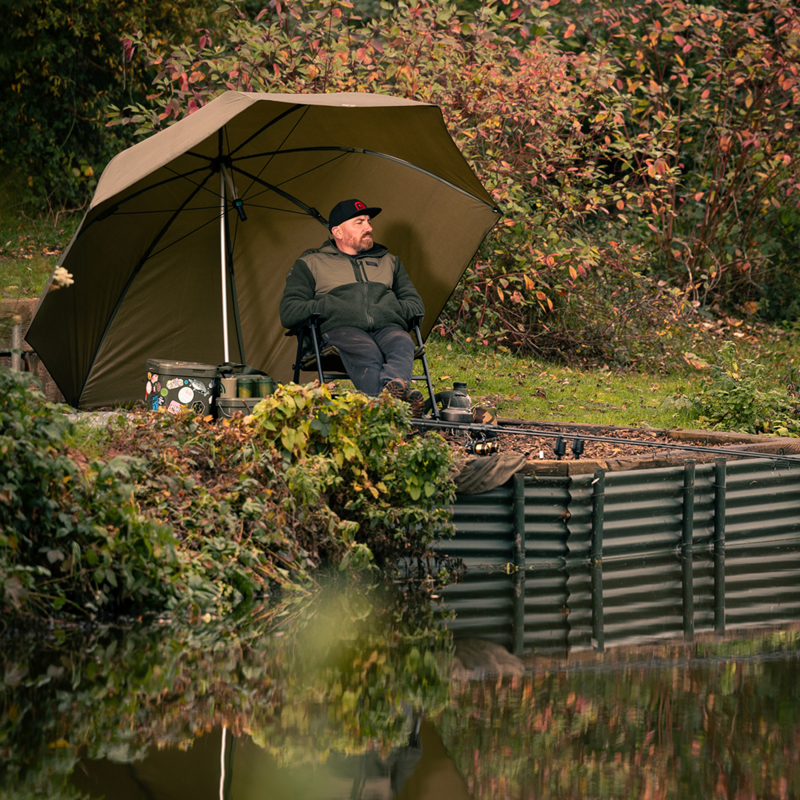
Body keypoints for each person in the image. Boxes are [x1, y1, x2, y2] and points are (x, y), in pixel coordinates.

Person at [280, 198, 426, 415]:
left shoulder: (389, 261)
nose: (369, 227)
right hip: (341, 331)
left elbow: (415, 305)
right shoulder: (311, 263)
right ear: (338, 232)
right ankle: (398, 408)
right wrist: (333, 306)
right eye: (359, 222)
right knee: (367, 351)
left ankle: (390, 398)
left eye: (368, 221)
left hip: (387, 328)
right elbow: (290, 311)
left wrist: (392, 309)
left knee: (403, 342)